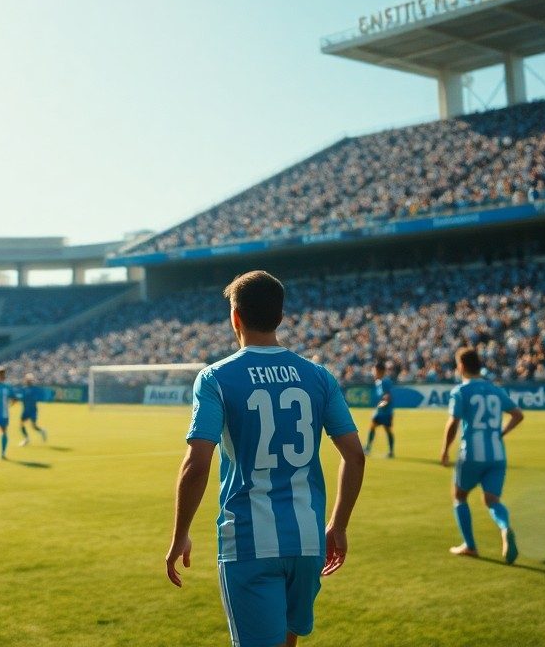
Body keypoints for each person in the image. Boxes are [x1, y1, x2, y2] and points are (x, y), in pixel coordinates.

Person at [165, 270, 366, 647]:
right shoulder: (318, 376)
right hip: (308, 542)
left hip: (248, 543)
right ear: (281, 316)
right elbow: (355, 456)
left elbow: (197, 464)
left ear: (235, 317)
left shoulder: (215, 378)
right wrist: (338, 525)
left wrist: (180, 535)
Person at [440, 347, 524, 562]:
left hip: (472, 454)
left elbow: (453, 423)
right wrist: (501, 432)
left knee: (459, 496)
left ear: (461, 366)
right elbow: (517, 414)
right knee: (493, 500)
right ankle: (505, 527)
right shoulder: (495, 390)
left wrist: (445, 450)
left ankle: (470, 545)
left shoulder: (461, 391)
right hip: (497, 454)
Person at [364, 363, 395, 458]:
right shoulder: (378, 382)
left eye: (375, 370)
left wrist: (381, 406)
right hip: (380, 411)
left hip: (385, 412)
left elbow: (387, 397)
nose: (374, 372)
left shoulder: (385, 381)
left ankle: (390, 452)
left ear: (380, 371)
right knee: (373, 426)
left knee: (387, 430)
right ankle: (368, 448)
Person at [17, 373, 48, 446]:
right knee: (21, 424)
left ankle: (42, 431)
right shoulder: (24, 388)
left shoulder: (34, 389)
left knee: (33, 426)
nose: (28, 381)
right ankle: (26, 439)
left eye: (29, 380)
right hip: (25, 410)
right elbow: (22, 397)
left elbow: (37, 397)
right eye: (27, 380)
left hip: (32, 410)